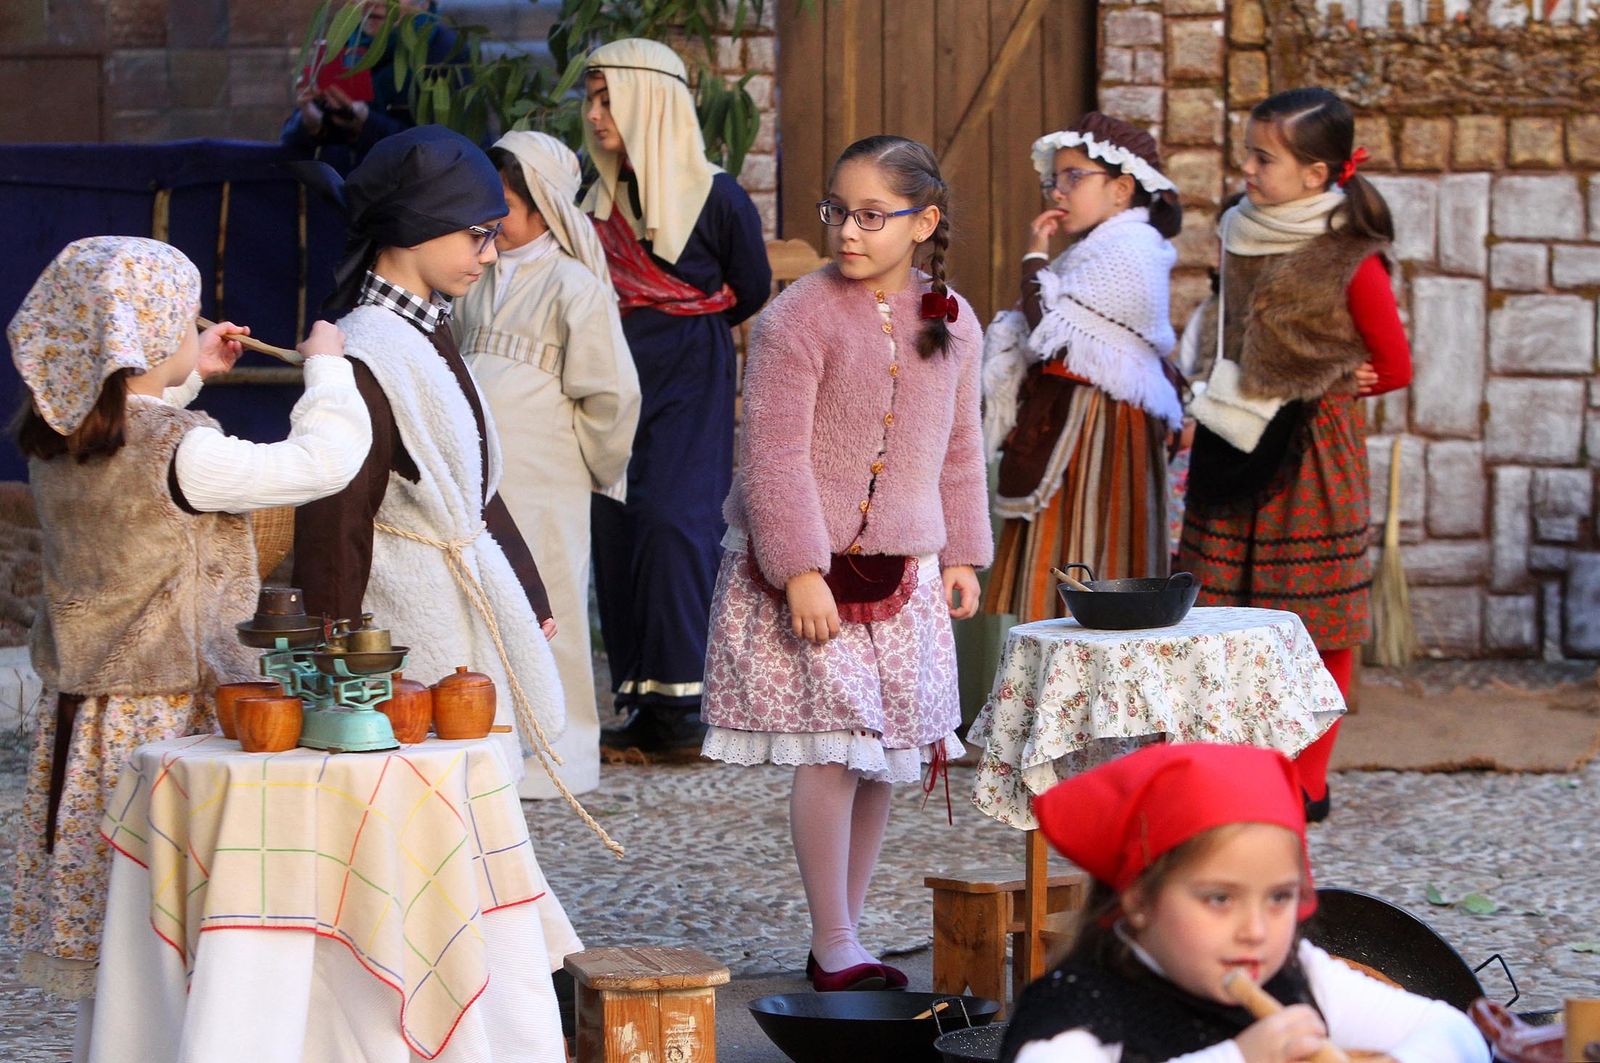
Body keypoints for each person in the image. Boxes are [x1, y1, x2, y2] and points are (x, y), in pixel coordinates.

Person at [7, 236, 368, 1015]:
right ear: (144, 336)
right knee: (188, 920)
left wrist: (187, 369)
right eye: (187, 317)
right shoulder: (186, 454)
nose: (198, 327)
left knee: (126, 929)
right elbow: (323, 463)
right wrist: (329, 370)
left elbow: (135, 434)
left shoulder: (58, 438)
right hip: (174, 719)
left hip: (91, 719)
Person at [289, 125, 601, 983]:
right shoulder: (366, 353)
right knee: (432, 826)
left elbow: (474, 480)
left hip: (458, 605)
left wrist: (527, 591)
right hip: (407, 627)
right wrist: (337, 659)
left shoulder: (426, 331)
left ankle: (503, 984)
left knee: (475, 813)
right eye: (477, 234)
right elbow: (336, 518)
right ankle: (458, 987)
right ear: (415, 226)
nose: (490, 254)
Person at [701, 135, 991, 991]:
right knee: (834, 748)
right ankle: (834, 941)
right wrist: (799, 568)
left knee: (884, 752)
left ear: (923, 221)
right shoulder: (798, 317)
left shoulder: (953, 319)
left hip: (907, 569)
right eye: (838, 212)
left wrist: (963, 552)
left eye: (872, 215)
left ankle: (848, 932)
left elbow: (960, 444)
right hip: (809, 571)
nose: (848, 232)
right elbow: (773, 454)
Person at [1177, 88, 1412, 822]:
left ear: (1316, 174)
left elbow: (1395, 365)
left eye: (1263, 158)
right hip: (1232, 430)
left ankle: (1306, 779)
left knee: (1316, 619)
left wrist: (1336, 377)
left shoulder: (1350, 259)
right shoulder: (1236, 231)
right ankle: (1236, 766)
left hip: (1310, 453)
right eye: (1247, 154)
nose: (1246, 168)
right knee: (1221, 613)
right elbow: (1224, 324)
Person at [1000, 743, 1490, 1062]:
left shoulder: (1295, 974)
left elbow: (1457, 1032)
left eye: (1279, 897)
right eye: (1220, 898)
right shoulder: (1073, 1015)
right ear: (1139, 899)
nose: (1255, 930)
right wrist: (1239, 1057)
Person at [581, 38, 772, 760]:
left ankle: (690, 707)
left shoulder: (719, 197)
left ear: (651, 103)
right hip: (612, 375)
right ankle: (646, 707)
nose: (594, 115)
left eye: (609, 100)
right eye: (591, 100)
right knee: (619, 525)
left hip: (689, 373)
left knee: (675, 523)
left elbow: (750, 287)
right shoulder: (593, 198)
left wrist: (678, 315)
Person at [454, 130, 642, 799]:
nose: (493, 217)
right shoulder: (474, 277)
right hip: (480, 472)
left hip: (548, 474)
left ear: (544, 206)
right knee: (483, 603)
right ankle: (490, 744)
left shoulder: (574, 286)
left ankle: (559, 753)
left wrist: (586, 462)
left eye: (505, 204)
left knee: (548, 603)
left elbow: (612, 393)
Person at [981, 113, 1184, 620]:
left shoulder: (1131, 249)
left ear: (1122, 189)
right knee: (1069, 548)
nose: (1058, 191)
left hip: (1104, 428)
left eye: (1073, 177)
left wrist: (1033, 258)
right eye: (1054, 179)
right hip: (1074, 422)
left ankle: (1098, 645)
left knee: (1098, 543)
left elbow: (1050, 334)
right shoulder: (1094, 252)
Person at [280, 1, 462, 171]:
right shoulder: (345, 40)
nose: (374, 2)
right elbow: (289, 146)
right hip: (343, 188)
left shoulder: (446, 52)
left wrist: (367, 123)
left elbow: (447, 156)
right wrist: (311, 124)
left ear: (424, 3)